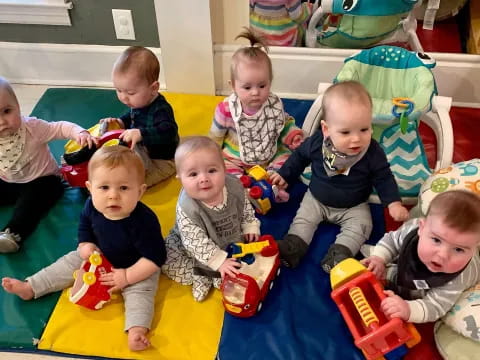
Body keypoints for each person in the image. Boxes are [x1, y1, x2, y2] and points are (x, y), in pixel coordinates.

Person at [2, 145, 166, 351]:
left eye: (123, 188)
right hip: (98, 256)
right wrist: (85, 244)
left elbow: (155, 258)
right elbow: (84, 226)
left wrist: (126, 276)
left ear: (140, 191)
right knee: (65, 264)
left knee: (141, 294)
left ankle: (136, 331)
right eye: (104, 188)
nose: (113, 196)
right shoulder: (92, 205)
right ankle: (31, 287)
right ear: (90, 188)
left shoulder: (144, 221)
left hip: (136, 266)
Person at [270, 81, 409, 272]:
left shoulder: (372, 152)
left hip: (354, 205)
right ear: (326, 129)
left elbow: (383, 177)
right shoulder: (318, 142)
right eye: (345, 132)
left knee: (362, 226)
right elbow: (299, 157)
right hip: (316, 199)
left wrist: (393, 202)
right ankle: (294, 247)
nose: (356, 139)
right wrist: (285, 175)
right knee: (303, 220)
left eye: (364, 129)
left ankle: (339, 253)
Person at [0, 77, 96, 253]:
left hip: (43, 180)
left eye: (7, 111)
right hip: (10, 182)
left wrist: (79, 132)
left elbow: (59, 128)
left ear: (18, 106)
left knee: (31, 203)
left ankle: (13, 234)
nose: (2, 121)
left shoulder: (32, 128)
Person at [161, 136, 261, 302]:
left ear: (224, 168)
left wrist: (250, 225)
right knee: (167, 259)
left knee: (247, 262)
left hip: (230, 240)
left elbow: (244, 207)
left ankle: (216, 273)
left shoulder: (234, 186)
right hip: (196, 247)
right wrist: (218, 262)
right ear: (181, 180)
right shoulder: (187, 207)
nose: (204, 178)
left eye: (212, 170)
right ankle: (201, 274)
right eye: (193, 174)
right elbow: (194, 240)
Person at [361, 190, 480, 323]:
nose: (443, 255)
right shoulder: (410, 231)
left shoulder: (459, 277)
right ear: (421, 228)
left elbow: (436, 306)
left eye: (458, 249)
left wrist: (408, 309)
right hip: (412, 261)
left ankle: (393, 275)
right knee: (380, 259)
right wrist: (379, 258)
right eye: (436, 240)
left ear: (474, 247)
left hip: (431, 286)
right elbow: (391, 240)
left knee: (414, 292)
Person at [209, 28, 304, 179]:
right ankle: (240, 182)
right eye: (247, 87)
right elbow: (216, 136)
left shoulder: (272, 104)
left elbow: (283, 124)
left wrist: (294, 136)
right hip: (236, 157)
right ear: (233, 86)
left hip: (269, 155)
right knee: (224, 167)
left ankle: (274, 179)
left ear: (270, 82)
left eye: (262, 86)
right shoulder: (226, 109)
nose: (255, 92)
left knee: (286, 159)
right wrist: (211, 156)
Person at [101, 46, 179, 187]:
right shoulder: (139, 102)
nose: (124, 98)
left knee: (135, 184)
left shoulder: (161, 109)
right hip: (143, 151)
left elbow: (169, 131)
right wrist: (120, 122)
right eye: (118, 90)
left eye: (130, 93)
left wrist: (141, 133)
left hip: (162, 160)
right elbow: (132, 115)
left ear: (153, 88)